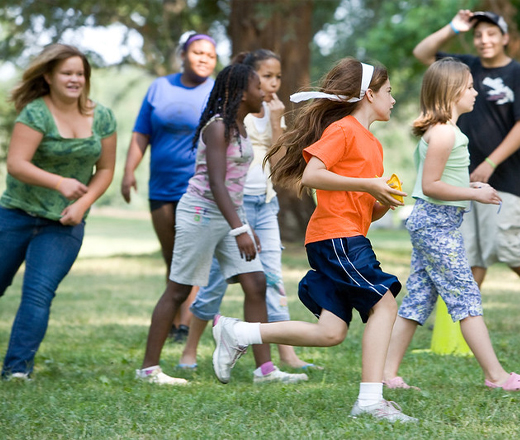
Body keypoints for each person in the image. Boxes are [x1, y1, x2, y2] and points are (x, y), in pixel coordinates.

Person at [211, 58, 417, 423]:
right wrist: (369, 184)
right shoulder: (344, 129)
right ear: (369, 94)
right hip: (337, 238)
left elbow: (362, 208)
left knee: (330, 332)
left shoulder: (371, 143)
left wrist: (381, 200)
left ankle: (238, 332)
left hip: (344, 235)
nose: (394, 100)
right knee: (384, 306)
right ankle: (370, 401)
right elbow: (312, 175)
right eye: (389, 92)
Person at [135, 63, 308, 386]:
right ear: (242, 94)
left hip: (229, 214)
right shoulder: (217, 128)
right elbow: (216, 183)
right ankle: (148, 370)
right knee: (178, 290)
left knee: (256, 283)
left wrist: (243, 223)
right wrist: (240, 228)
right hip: (200, 214)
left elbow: (233, 185)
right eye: (258, 87)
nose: (264, 92)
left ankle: (264, 370)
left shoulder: (240, 127)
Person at [382, 58, 520, 392]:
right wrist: (474, 195)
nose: (475, 92)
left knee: (418, 299)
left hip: (435, 223)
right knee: (467, 298)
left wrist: (470, 189)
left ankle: (386, 374)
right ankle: (496, 376)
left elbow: (441, 182)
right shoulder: (445, 133)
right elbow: (430, 185)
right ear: (452, 91)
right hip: (436, 226)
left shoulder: (448, 132)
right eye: (470, 86)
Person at [178, 49, 320, 371]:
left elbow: (280, 157)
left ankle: (282, 356)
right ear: (249, 81)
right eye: (265, 78)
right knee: (214, 281)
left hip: (264, 205)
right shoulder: (234, 117)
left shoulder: (271, 113)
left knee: (270, 278)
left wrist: (274, 122)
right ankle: (190, 347)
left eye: (277, 77)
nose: (272, 84)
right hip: (232, 210)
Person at [0, 44, 117, 380]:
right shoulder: (35, 113)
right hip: (16, 215)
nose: (74, 79)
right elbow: (16, 164)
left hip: (64, 223)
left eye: (80, 73)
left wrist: (82, 203)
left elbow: (106, 169)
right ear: (49, 77)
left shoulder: (103, 116)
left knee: (38, 292)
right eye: (67, 73)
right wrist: (59, 183)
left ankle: (17, 370)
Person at [121, 33, 217, 343]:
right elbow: (141, 133)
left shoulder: (218, 90)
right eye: (197, 52)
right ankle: (175, 322)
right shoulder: (159, 88)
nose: (203, 58)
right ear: (183, 55)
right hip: (161, 187)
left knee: (193, 256)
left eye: (210, 55)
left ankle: (186, 325)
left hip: (200, 188)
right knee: (172, 256)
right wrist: (128, 171)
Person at [413, 10, 520, 288]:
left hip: (505, 177)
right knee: (471, 254)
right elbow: (422, 53)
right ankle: (461, 321)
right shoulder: (466, 66)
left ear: (505, 37)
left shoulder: (516, 72)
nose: (484, 40)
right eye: (478, 34)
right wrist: (453, 27)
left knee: (509, 248)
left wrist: (490, 163)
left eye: (492, 33)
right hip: (463, 182)